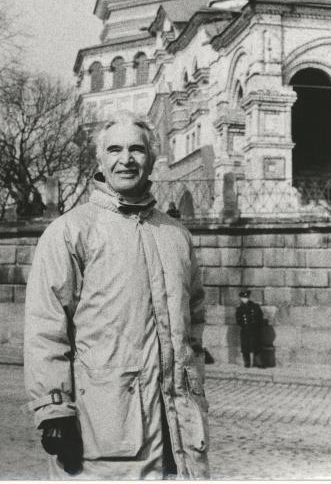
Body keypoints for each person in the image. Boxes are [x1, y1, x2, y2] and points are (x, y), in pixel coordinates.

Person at [24, 112, 209, 479]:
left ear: (152, 159)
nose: (126, 159)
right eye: (115, 149)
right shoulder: (71, 232)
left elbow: (195, 326)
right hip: (105, 433)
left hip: (179, 435)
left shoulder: (176, 236)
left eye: (137, 150)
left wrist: (193, 390)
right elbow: (46, 327)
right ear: (100, 160)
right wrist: (53, 408)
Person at [235, 289, 264, 368]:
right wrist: (245, 326)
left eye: (246, 297)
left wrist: (257, 327)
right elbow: (238, 321)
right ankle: (247, 363)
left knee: (256, 346)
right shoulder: (239, 309)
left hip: (254, 330)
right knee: (245, 348)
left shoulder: (255, 306)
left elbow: (260, 318)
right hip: (245, 330)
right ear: (241, 298)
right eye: (243, 298)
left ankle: (258, 362)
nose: (245, 299)